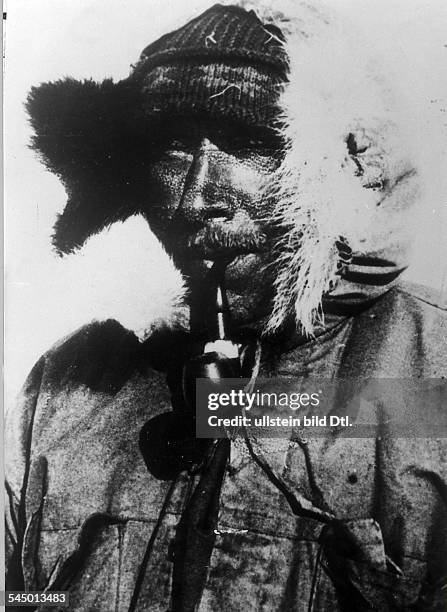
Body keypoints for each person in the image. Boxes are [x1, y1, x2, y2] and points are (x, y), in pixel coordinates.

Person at [5, 2, 447, 610]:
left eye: (247, 143)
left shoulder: (435, 370)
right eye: (173, 146)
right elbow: (19, 600)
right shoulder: (67, 386)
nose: (193, 199)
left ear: (338, 172)